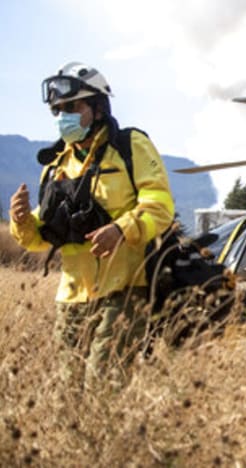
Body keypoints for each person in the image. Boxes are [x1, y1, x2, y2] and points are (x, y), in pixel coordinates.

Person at [9, 62, 175, 389]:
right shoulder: (56, 167)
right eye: (57, 110)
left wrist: (122, 229)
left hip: (124, 290)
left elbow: (161, 206)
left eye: (72, 107)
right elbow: (40, 239)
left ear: (98, 108)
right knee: (67, 396)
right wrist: (22, 222)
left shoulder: (130, 147)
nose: (62, 116)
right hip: (71, 299)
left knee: (102, 387)